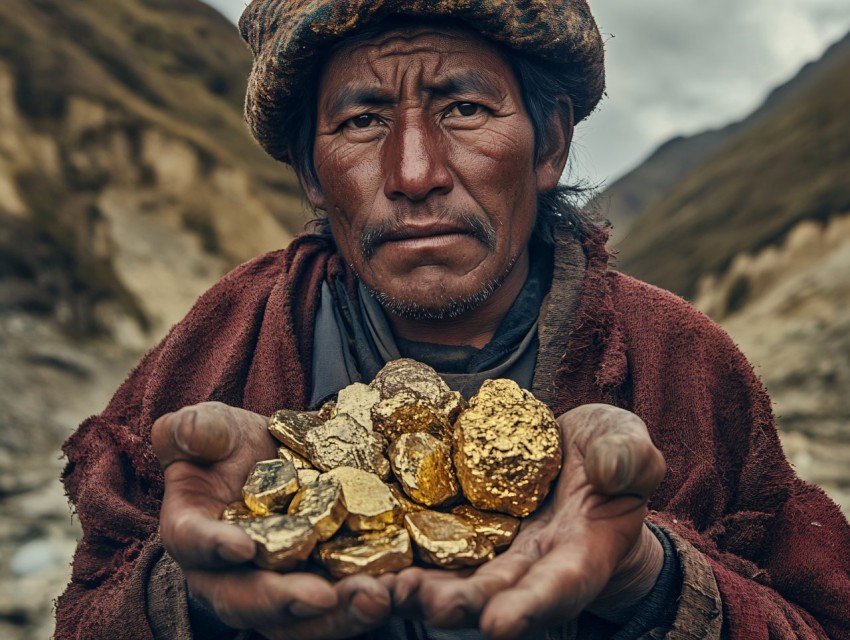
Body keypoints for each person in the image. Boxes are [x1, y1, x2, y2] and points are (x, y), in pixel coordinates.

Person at [55, 1, 850, 639]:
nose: (413, 173)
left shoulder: (681, 362)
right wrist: (185, 596)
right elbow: (87, 607)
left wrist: (649, 577)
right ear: (309, 171)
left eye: (464, 108)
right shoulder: (226, 338)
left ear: (550, 144)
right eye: (362, 120)